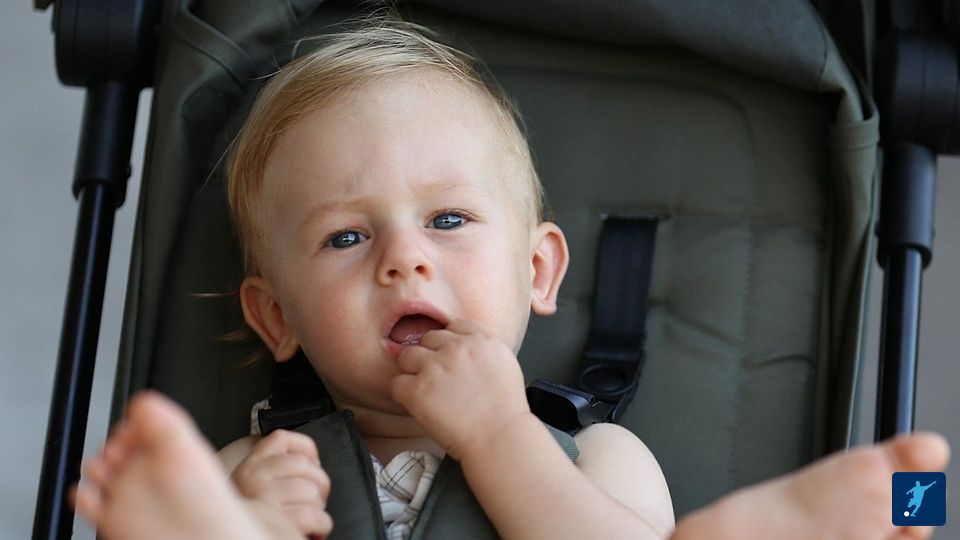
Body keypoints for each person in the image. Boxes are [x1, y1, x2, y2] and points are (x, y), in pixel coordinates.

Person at [74, 16, 951, 540]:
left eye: (448, 220)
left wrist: (499, 434)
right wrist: (255, 522)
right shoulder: (256, 465)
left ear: (537, 271)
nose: (404, 258)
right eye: (346, 237)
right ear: (277, 319)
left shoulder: (592, 454)